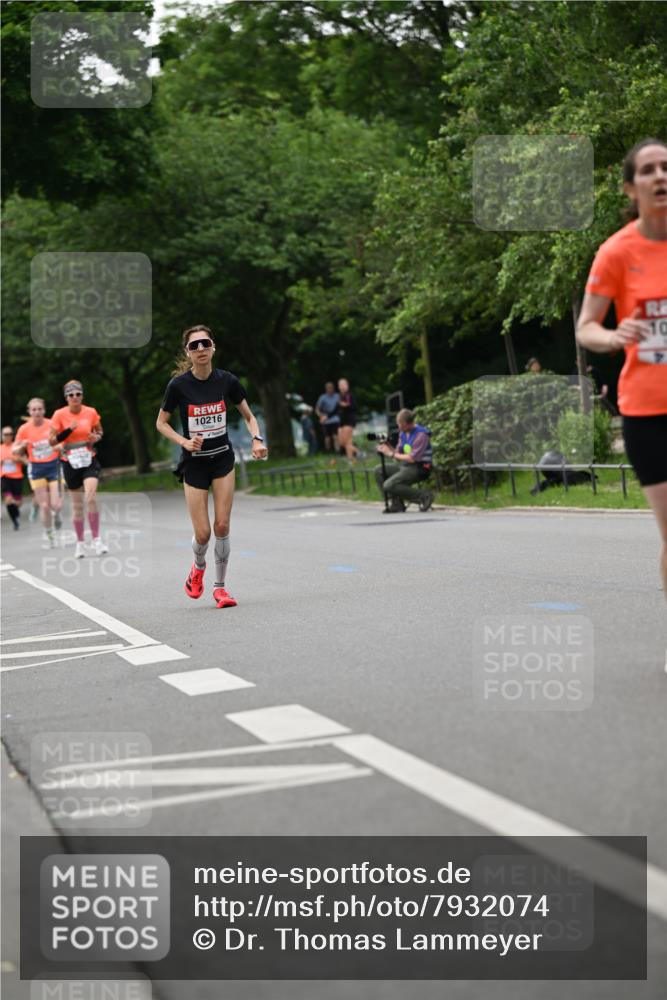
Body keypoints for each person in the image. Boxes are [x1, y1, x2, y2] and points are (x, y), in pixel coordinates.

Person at [576, 138, 667, 664]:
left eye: (666, 167)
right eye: (648, 170)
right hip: (648, 412)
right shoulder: (617, 252)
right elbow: (587, 326)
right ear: (632, 188)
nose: (660, 176)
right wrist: (615, 337)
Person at [156, 324, 267, 608]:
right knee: (203, 533)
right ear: (188, 352)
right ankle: (197, 566)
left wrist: (256, 439)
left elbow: (249, 416)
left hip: (222, 460)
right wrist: (183, 442)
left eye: (205, 343)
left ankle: (220, 588)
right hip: (194, 466)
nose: (201, 349)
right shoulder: (178, 386)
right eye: (194, 346)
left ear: (213, 346)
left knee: (222, 524)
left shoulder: (227, 381)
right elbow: (161, 423)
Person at [49, 379, 107, 558]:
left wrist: (95, 437)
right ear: (66, 397)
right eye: (71, 395)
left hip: (89, 459)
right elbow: (52, 441)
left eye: (78, 394)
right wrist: (67, 431)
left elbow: (100, 432)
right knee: (77, 505)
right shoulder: (59, 415)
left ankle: (97, 540)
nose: (75, 397)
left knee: (90, 497)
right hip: (70, 461)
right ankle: (80, 543)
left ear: (82, 395)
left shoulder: (90, 412)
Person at [13, 398, 63, 547]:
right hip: (36, 469)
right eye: (34, 410)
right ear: (29, 412)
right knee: (45, 505)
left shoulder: (51, 424)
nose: (37, 412)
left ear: (44, 410)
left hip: (53, 466)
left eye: (39, 409)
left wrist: (59, 446)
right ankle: (49, 535)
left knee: (56, 505)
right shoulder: (24, 429)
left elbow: (62, 441)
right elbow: (14, 451)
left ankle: (57, 514)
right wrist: (22, 445)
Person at [374, 408, 435, 513]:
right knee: (378, 470)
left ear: (408, 424)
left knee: (389, 485)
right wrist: (386, 447)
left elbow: (412, 458)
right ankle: (396, 502)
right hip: (406, 466)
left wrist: (391, 454)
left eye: (400, 425)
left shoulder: (421, 435)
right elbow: (398, 454)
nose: (399, 427)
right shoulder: (403, 433)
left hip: (420, 468)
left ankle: (424, 496)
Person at [1, 426, 24, 530]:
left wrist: (17, 459)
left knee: (18, 502)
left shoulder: (17, 446)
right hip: (4, 477)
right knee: (8, 499)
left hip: (17, 476)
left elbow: (25, 460)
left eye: (10, 434)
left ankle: (16, 511)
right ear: (2, 436)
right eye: (5, 434)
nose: (8, 436)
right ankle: (15, 521)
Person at [315, 381, 340, 457]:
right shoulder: (322, 398)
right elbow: (317, 409)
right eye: (328, 388)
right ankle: (329, 452)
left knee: (336, 436)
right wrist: (321, 416)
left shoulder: (337, 396)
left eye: (331, 388)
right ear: (326, 389)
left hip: (335, 419)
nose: (330, 389)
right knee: (327, 438)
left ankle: (338, 452)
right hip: (326, 421)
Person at [336, 377, 358, 463]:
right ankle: (359, 452)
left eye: (344, 384)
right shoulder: (339, 397)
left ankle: (351, 460)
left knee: (348, 441)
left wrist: (346, 405)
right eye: (340, 385)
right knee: (342, 442)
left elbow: (354, 407)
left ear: (347, 385)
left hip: (349, 420)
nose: (342, 386)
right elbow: (336, 408)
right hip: (341, 421)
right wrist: (326, 417)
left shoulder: (350, 396)